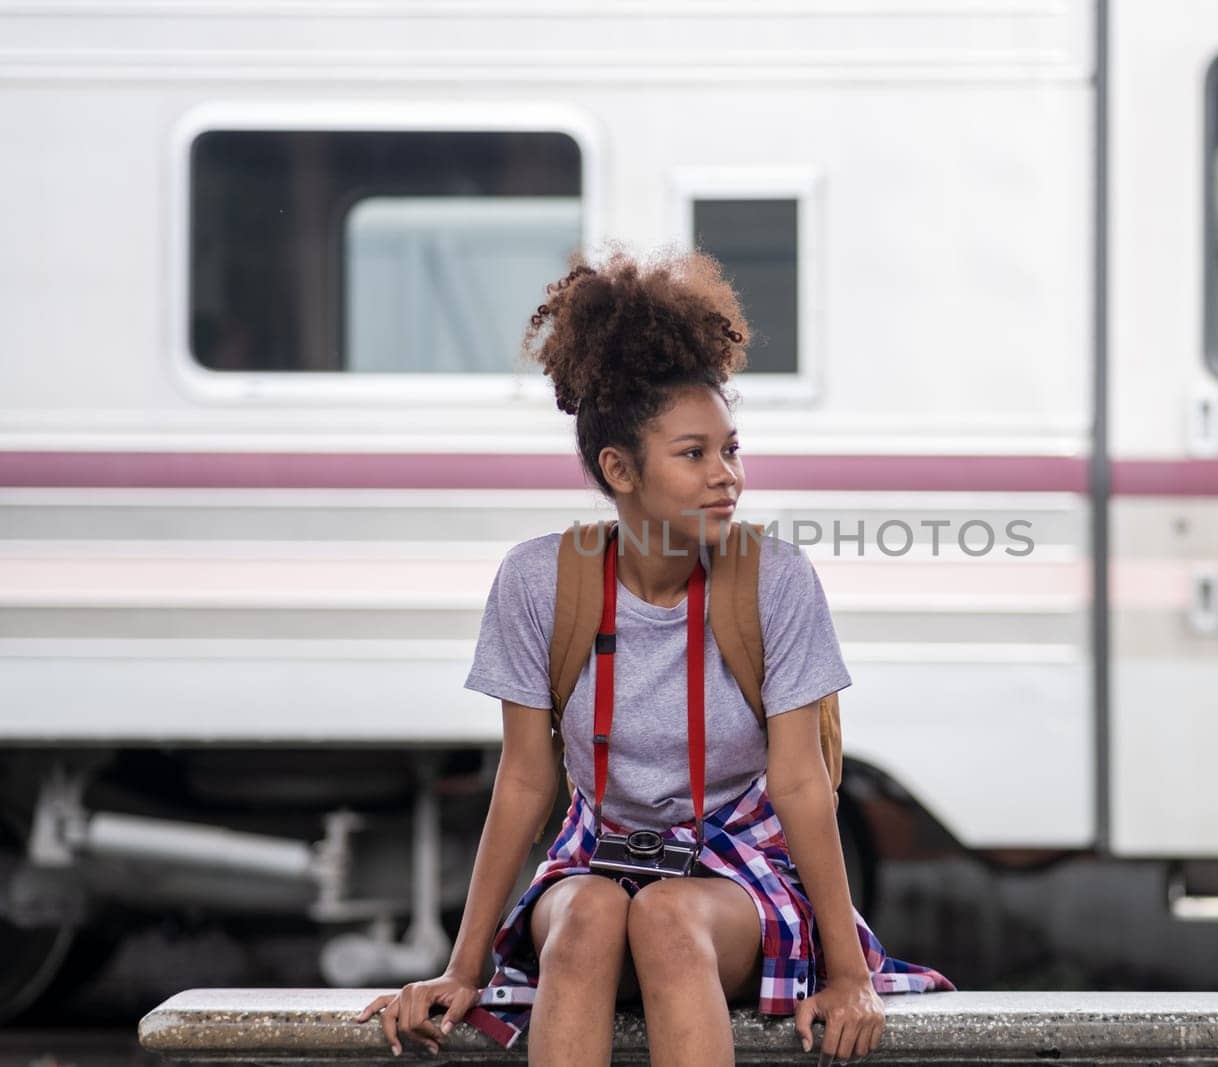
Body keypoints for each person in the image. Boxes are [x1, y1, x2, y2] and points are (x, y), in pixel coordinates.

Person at [355, 246, 953, 1066]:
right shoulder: (540, 582)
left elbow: (801, 780)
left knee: (669, 916)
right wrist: (462, 968)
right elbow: (528, 779)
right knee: (594, 912)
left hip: (737, 870)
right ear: (619, 470)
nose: (727, 477)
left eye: (730, 449)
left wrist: (849, 974)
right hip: (595, 854)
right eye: (694, 454)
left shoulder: (774, 580)